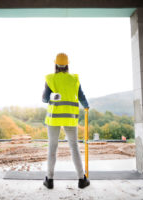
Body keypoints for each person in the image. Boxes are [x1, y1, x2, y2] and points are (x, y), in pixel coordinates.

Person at [42, 53, 90, 189]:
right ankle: (82, 179)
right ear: (67, 64)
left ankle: (49, 180)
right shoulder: (74, 79)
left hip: (54, 119)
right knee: (74, 147)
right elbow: (81, 96)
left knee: (52, 148)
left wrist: (51, 95)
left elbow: (45, 99)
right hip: (69, 119)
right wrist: (86, 106)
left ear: (55, 64)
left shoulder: (50, 79)